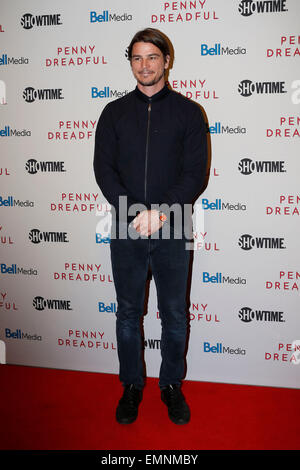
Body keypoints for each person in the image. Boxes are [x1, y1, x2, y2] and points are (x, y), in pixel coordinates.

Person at [93, 28, 207, 425]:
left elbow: (195, 175)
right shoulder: (113, 113)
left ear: (166, 61)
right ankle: (132, 385)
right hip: (126, 226)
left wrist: (158, 213)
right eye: (137, 58)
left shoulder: (190, 113)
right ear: (131, 62)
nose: (144, 65)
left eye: (152, 57)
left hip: (173, 225)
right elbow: (103, 170)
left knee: (174, 315)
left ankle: (171, 385)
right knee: (128, 313)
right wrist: (134, 212)